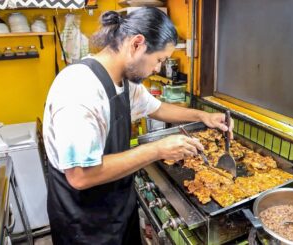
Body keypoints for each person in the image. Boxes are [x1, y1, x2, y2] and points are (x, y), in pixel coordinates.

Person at [43, 8, 233, 245]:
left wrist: (203, 116)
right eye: (159, 60)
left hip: (118, 206)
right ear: (137, 44)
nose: (156, 68)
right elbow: (81, 176)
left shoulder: (125, 81)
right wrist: (157, 149)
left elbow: (157, 108)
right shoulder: (80, 90)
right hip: (84, 220)